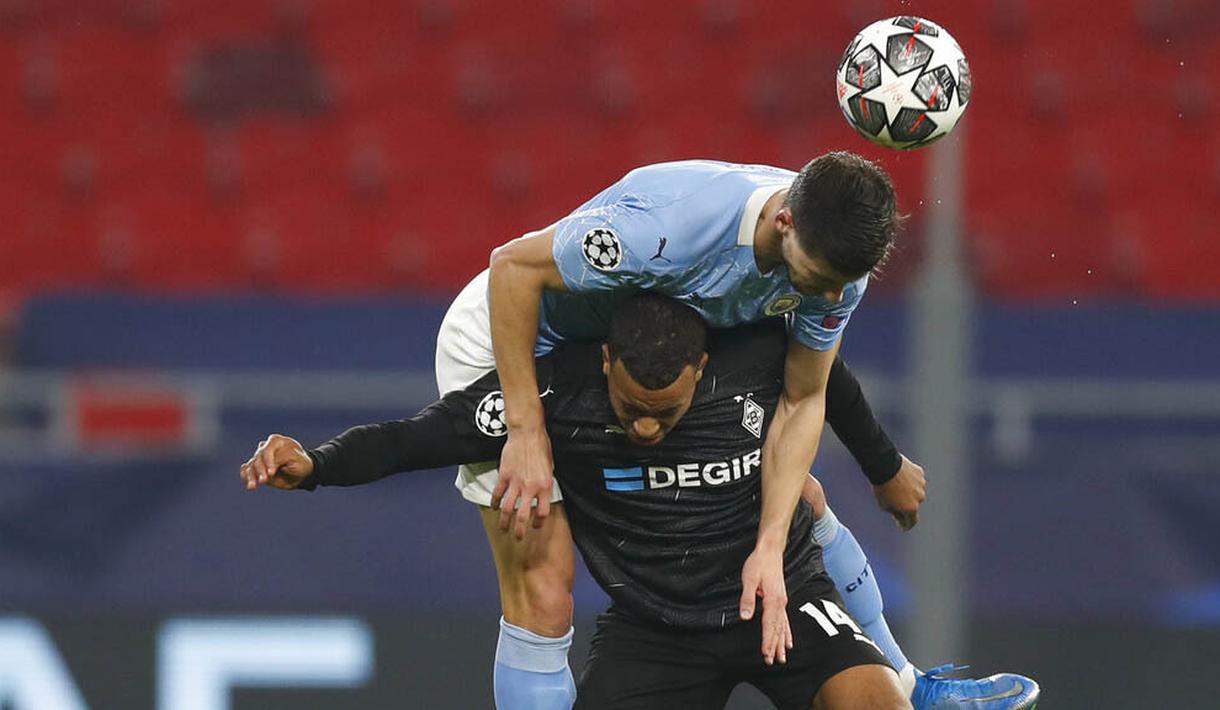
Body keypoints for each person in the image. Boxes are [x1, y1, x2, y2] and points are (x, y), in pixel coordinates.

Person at [242, 294, 1040, 709]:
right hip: (655, 630)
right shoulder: (553, 394)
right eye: (631, 409)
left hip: (782, 600)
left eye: (668, 408)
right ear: (605, 361)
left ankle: (910, 681)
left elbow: (827, 383)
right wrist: (310, 464)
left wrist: (885, 463)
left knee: (873, 703)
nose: (648, 426)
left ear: (702, 364)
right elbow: (412, 439)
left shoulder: (755, 354)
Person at [439, 154, 918, 707]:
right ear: (783, 222)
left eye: (844, 284)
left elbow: (805, 395)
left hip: (635, 355)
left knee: (792, 499)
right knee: (544, 589)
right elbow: (512, 267)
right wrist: (525, 431)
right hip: (513, 338)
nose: (831, 298)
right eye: (821, 280)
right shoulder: (665, 232)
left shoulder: (833, 265)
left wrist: (768, 545)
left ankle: (907, 679)